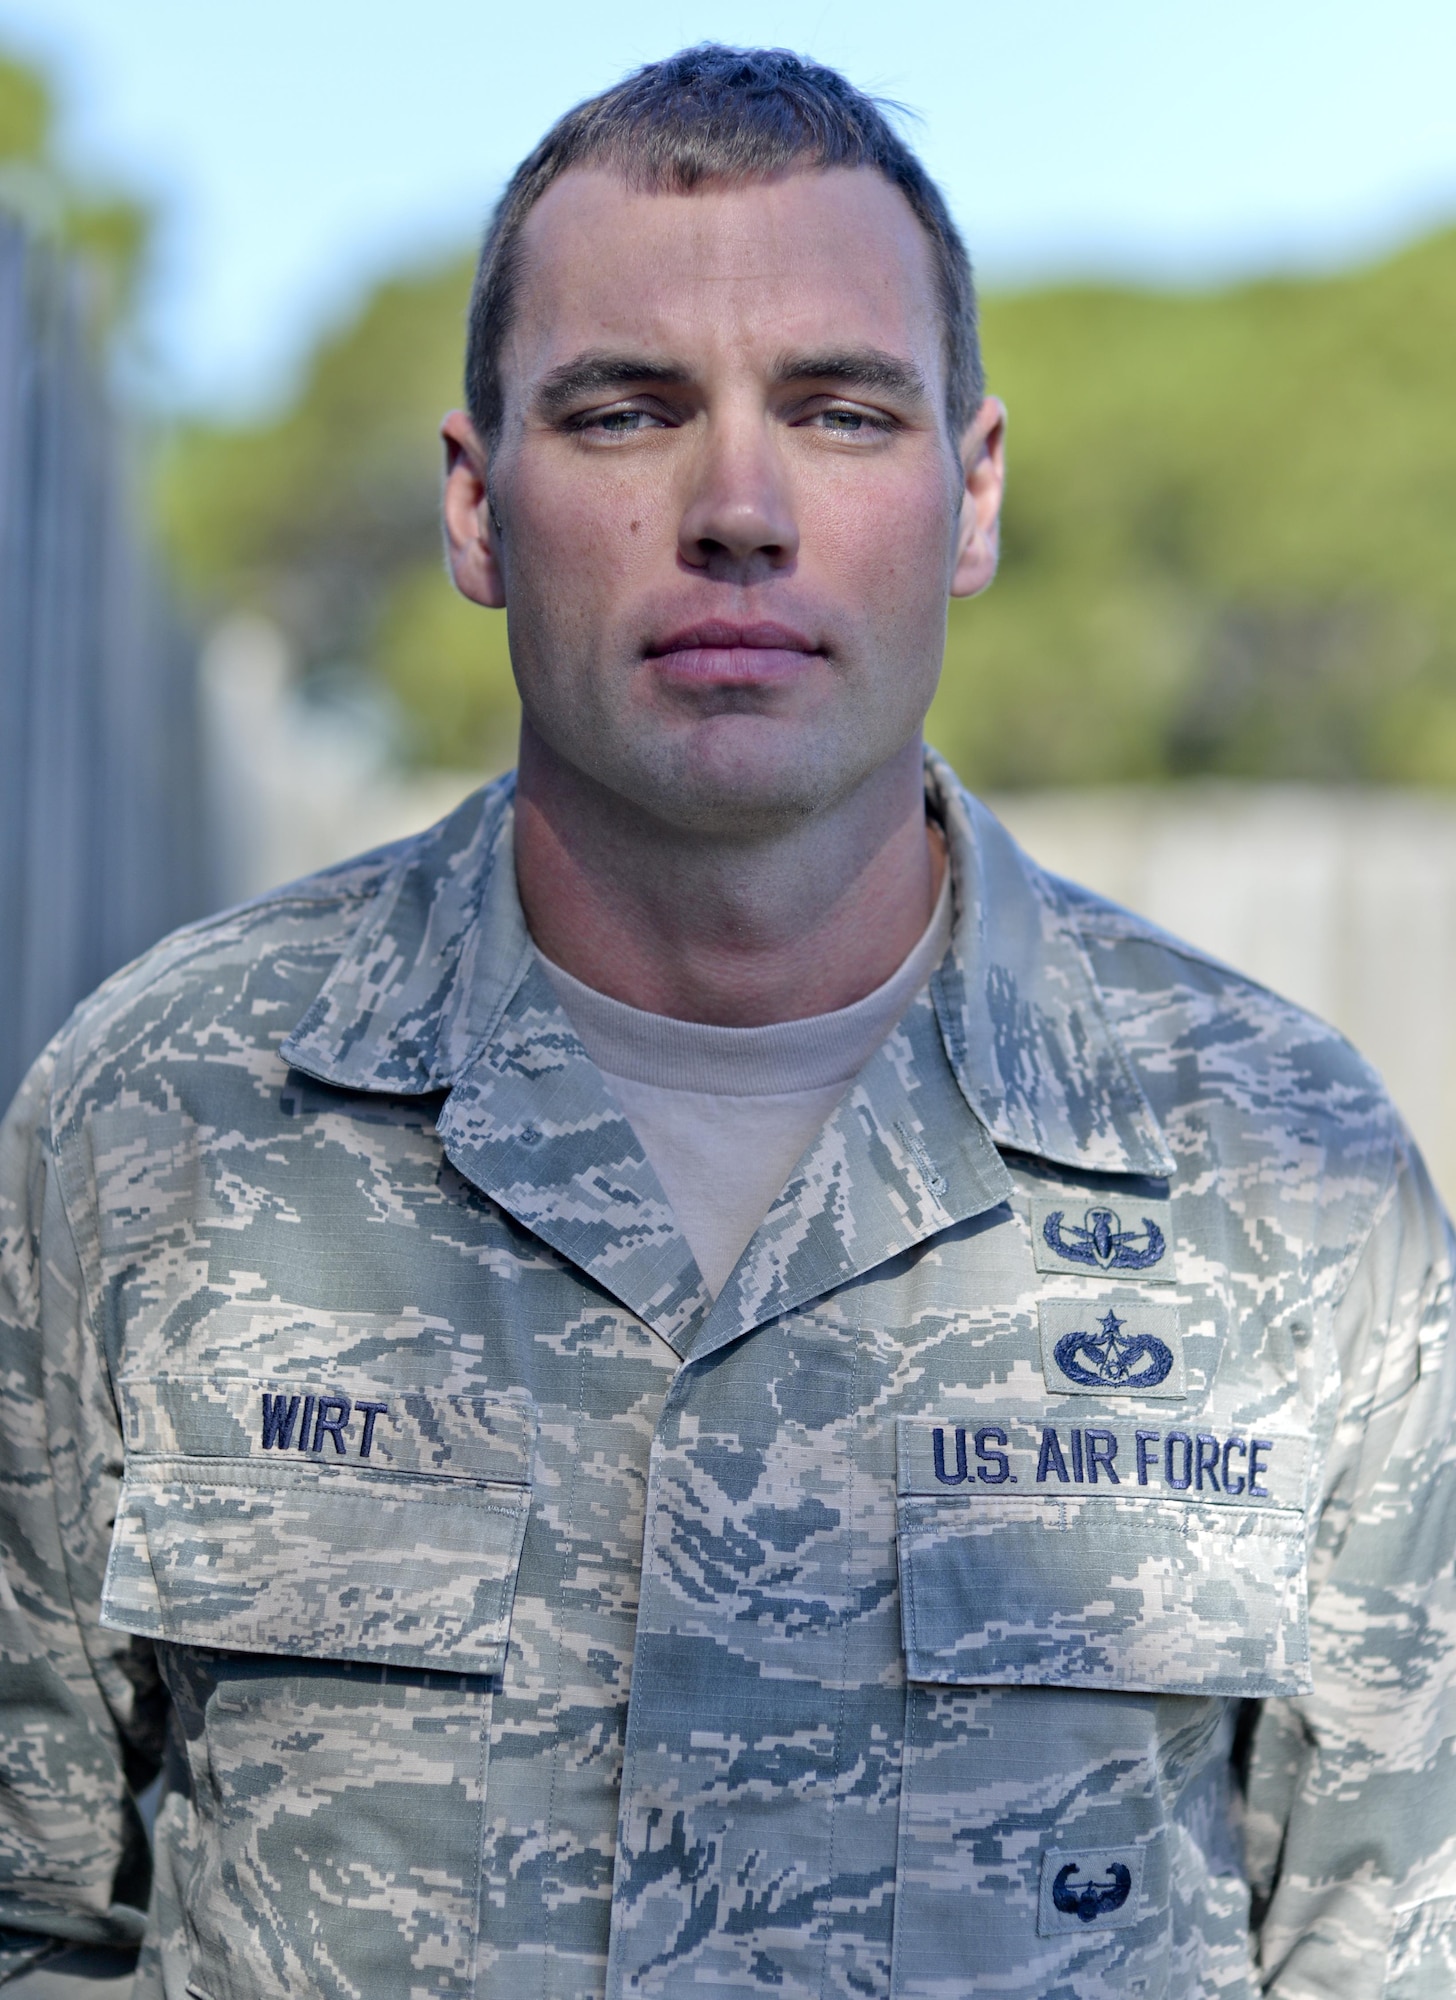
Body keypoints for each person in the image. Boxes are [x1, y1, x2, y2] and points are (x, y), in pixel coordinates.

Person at [0, 43, 1452, 2000]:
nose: (738, 509)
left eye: (843, 412)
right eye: (622, 412)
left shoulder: (1287, 1183)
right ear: (472, 506)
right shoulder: (158, 1122)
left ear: (972, 491)